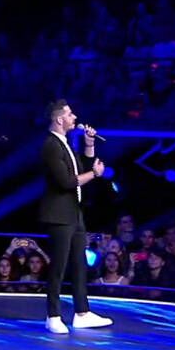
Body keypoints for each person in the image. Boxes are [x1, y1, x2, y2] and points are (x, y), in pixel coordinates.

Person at [38, 99, 113, 333]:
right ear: (59, 119)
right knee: (59, 266)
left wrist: (89, 144)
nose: (74, 117)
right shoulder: (51, 145)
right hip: (59, 214)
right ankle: (53, 315)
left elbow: (82, 169)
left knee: (80, 263)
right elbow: (66, 182)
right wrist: (95, 174)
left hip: (74, 212)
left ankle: (82, 312)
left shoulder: (66, 144)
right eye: (70, 114)